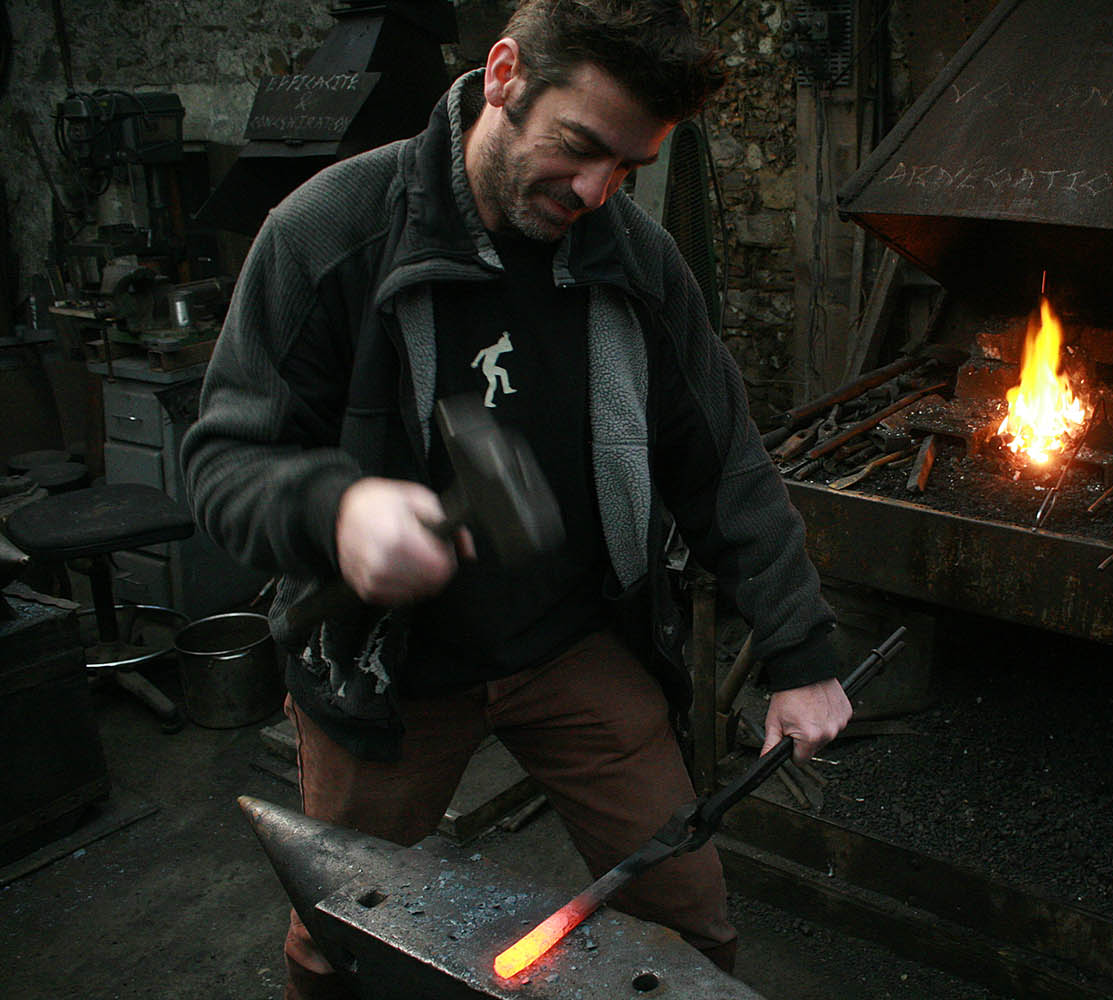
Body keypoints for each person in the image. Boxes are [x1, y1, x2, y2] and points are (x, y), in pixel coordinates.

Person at [180, 2, 850, 997]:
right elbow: (221, 462)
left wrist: (800, 655)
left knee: (687, 913)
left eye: (627, 167)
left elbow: (724, 464)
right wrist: (338, 511)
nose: (595, 190)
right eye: (579, 146)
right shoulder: (328, 234)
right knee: (338, 933)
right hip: (388, 669)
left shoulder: (633, 260)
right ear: (504, 76)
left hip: (573, 644)